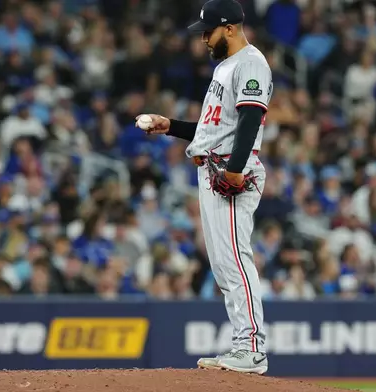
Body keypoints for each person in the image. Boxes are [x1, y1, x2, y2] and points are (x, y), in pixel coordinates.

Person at [135, 0, 271, 374]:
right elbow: (214, 130)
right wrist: (171, 126)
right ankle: (244, 344)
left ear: (229, 28)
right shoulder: (228, 67)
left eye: (208, 32)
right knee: (224, 265)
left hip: (230, 170)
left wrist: (236, 169)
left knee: (235, 260)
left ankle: (253, 348)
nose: (204, 40)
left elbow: (250, 119)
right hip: (216, 165)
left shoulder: (251, 64)